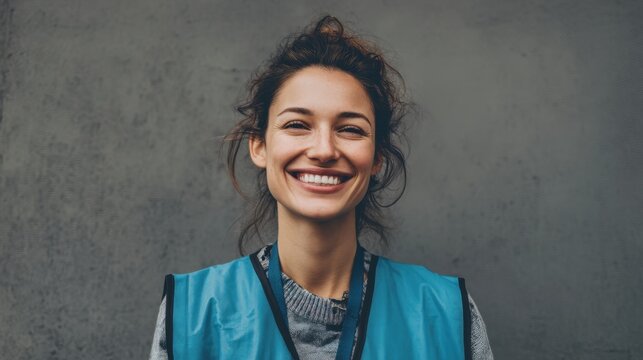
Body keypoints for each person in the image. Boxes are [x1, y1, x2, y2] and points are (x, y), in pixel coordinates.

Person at [149, 15, 493, 360]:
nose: (324, 150)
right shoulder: (193, 313)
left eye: (351, 129)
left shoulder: (446, 313)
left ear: (377, 158)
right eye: (297, 124)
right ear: (259, 146)